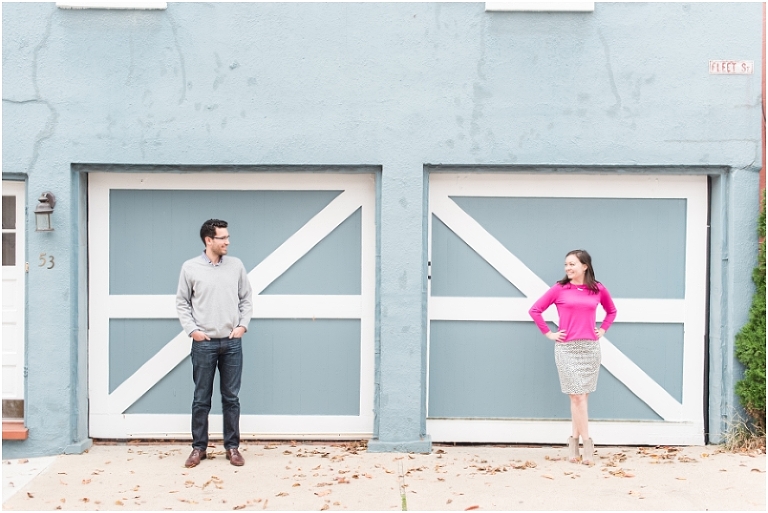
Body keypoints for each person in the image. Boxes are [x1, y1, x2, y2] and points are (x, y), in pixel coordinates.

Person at [528, 249, 617, 465]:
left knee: (581, 398)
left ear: (585, 266)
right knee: (577, 397)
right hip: (567, 349)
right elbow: (535, 310)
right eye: (566, 264)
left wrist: (603, 329)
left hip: (590, 349)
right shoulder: (560, 289)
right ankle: (588, 444)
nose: (568, 268)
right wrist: (549, 333)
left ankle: (573, 445)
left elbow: (611, 311)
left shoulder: (598, 289)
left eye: (572, 264)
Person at [176, 219, 253, 468]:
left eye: (228, 237)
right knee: (201, 398)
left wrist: (242, 326)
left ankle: (232, 448)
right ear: (209, 240)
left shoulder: (236, 266)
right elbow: (182, 302)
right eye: (223, 238)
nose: (228, 241)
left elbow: (246, 299)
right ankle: (199, 448)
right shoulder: (190, 268)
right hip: (204, 343)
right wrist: (193, 331)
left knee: (231, 397)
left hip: (231, 343)